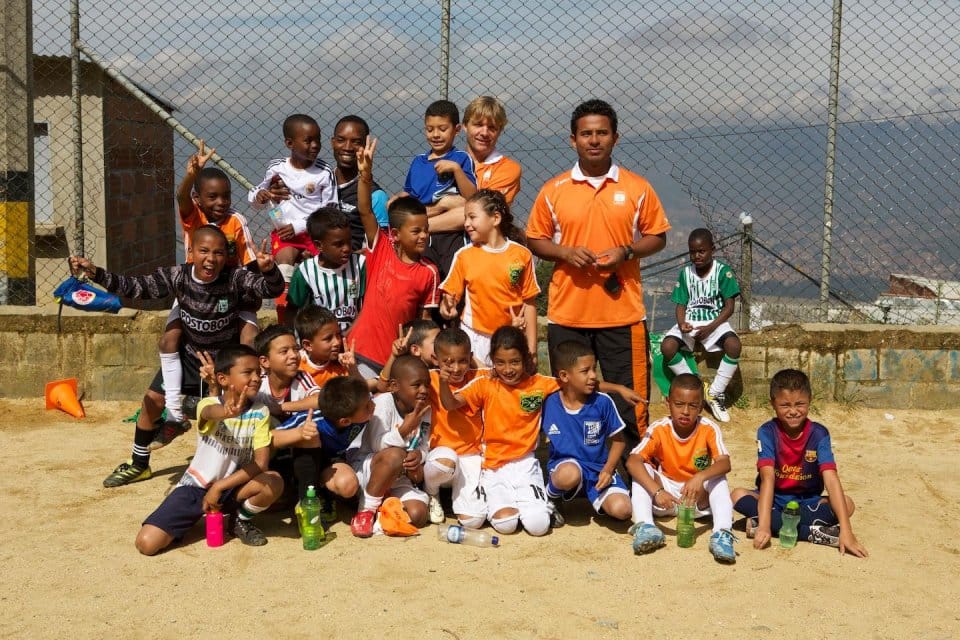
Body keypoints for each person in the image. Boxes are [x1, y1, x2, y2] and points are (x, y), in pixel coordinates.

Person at [70, 226, 284, 488]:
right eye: (203, 251)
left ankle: (235, 471)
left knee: (229, 415)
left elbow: (271, 290)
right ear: (190, 252)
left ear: (225, 257)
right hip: (188, 356)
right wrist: (96, 273)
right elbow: (135, 287)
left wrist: (269, 269)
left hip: (221, 365)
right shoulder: (177, 276)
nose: (210, 259)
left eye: (218, 253)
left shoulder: (234, 279)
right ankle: (139, 464)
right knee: (151, 401)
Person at [526, 99, 670, 455]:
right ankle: (570, 467)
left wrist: (627, 251)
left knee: (630, 399)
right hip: (568, 316)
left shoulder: (637, 188)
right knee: (571, 397)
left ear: (615, 138)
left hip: (622, 316)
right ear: (572, 140)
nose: (594, 140)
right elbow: (535, 239)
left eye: (601, 133)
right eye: (586, 133)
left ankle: (635, 471)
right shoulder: (553, 190)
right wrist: (565, 252)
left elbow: (658, 236)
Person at [440, 326, 636, 536]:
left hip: (526, 465)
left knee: (538, 526)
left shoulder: (539, 384)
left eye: (514, 361)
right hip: (493, 468)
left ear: (526, 358)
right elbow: (451, 404)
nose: (507, 369)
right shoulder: (485, 385)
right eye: (500, 362)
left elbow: (576, 380)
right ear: (492, 361)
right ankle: (494, 503)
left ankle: (545, 502)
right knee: (506, 524)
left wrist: (618, 388)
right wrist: (443, 383)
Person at [133, 345, 284, 555]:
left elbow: (261, 463)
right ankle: (193, 516)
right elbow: (211, 412)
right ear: (223, 379)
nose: (256, 378)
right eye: (247, 372)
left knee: (273, 481)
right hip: (195, 486)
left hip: (233, 486)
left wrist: (219, 487)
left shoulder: (260, 412)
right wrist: (226, 412)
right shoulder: (208, 404)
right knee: (147, 544)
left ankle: (238, 520)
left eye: (258, 372)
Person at [160, 142, 260, 431]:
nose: (220, 202)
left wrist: (250, 295)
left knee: (248, 340)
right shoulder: (194, 218)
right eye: (212, 197)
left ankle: (249, 401)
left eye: (226, 196)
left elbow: (247, 260)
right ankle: (174, 410)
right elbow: (180, 196)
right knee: (168, 340)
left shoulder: (236, 222)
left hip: (228, 292)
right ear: (198, 198)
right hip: (193, 292)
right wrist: (192, 173)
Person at [731, 369, 868, 557]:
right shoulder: (767, 431)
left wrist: (847, 531)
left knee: (847, 504)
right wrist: (764, 527)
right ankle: (812, 532)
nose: (793, 411)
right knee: (736, 495)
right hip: (774, 501)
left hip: (807, 502)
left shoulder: (819, 434)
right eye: (785, 405)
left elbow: (830, 478)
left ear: (810, 400)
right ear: (773, 404)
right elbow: (767, 478)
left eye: (800, 404)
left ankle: (773, 525)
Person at [347, 136, 440, 378]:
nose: (423, 236)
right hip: (362, 352)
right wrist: (365, 175)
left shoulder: (428, 272)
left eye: (426, 229)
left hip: (396, 359)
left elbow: (424, 322)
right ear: (396, 234)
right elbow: (365, 209)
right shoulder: (381, 248)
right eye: (416, 231)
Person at [626, 373, 738, 563]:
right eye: (679, 404)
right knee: (642, 467)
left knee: (718, 477)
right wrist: (657, 491)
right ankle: (645, 526)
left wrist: (700, 477)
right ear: (668, 403)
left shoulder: (709, 428)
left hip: (696, 499)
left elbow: (725, 463)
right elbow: (632, 461)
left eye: (692, 406)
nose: (685, 411)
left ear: (701, 407)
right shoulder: (659, 428)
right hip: (665, 497)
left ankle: (722, 533)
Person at [248, 114, 338, 322]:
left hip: (315, 233)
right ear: (290, 143)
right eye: (308, 141)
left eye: (318, 140)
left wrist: (299, 226)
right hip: (285, 234)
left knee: (318, 268)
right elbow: (256, 195)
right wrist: (260, 196)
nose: (315, 145)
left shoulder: (324, 172)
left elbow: (330, 211)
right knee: (284, 261)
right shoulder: (277, 167)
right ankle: (284, 317)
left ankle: (319, 315)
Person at [439, 189, 539, 364]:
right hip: (474, 338)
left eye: (472, 217)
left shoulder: (522, 255)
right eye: (465, 218)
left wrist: (531, 348)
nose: (467, 224)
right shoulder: (464, 255)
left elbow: (529, 303)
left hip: (510, 338)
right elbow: (450, 298)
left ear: (496, 218)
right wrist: (447, 308)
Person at [540, 341, 631, 528]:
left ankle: (595, 496)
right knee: (569, 474)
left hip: (598, 471)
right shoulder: (548, 403)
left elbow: (619, 442)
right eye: (585, 371)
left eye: (594, 369)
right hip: (567, 469)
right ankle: (551, 496)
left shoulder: (603, 402)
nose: (593, 376)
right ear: (564, 375)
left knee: (623, 511)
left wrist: (607, 469)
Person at [661, 228, 742, 423]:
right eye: (692, 252)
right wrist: (682, 324)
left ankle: (715, 393)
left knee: (734, 345)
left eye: (701, 251)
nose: (696, 256)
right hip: (691, 322)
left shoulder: (723, 272)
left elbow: (729, 307)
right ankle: (696, 385)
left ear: (712, 250)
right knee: (667, 347)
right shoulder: (686, 274)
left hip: (715, 322)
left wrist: (711, 327)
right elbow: (681, 305)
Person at [348, 355, 432, 537]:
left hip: (399, 476)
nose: (424, 390)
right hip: (371, 469)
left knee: (418, 514)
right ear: (394, 386)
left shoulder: (425, 409)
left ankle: (382, 513)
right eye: (417, 385)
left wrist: (419, 456)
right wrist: (404, 430)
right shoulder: (383, 403)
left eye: (427, 384)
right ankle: (366, 511)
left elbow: (425, 444)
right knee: (394, 455)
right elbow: (378, 445)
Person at [271, 377, 374, 520]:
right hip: (298, 465)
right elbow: (270, 438)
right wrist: (300, 432)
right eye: (368, 405)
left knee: (348, 486)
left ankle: (323, 494)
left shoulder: (358, 409)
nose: (373, 405)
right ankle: (305, 502)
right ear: (345, 421)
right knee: (311, 436)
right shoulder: (312, 419)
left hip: (329, 463)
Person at [397, 99, 477, 278]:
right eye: (430, 129)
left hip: (451, 235)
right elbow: (409, 193)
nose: (436, 135)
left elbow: (472, 197)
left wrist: (456, 170)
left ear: (456, 130)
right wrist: (396, 200)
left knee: (451, 277)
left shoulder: (461, 158)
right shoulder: (418, 161)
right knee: (425, 275)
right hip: (422, 237)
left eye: (442, 129)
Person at [425, 96, 522, 236]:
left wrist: (417, 227)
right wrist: (444, 204)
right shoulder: (444, 162)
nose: (484, 133)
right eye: (478, 125)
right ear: (464, 126)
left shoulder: (508, 169)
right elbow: (416, 206)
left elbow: (482, 215)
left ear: (500, 131)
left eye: (492, 127)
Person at [423, 328, 487, 526]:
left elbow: (496, 372)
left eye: (463, 360)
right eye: (448, 362)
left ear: (471, 358)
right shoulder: (429, 378)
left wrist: (474, 363)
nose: (457, 368)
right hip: (442, 455)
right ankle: (432, 493)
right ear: (436, 359)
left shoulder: (479, 377)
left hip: (471, 456)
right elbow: (390, 381)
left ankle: (460, 500)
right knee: (446, 461)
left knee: (473, 522)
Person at [285, 207, 366, 332]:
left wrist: (350, 334)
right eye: (338, 244)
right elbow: (292, 309)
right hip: (320, 342)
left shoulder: (360, 265)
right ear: (319, 245)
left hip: (356, 335)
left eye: (349, 241)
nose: (346, 248)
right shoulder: (306, 272)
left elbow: (368, 306)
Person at [329, 115, 389, 249]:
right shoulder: (319, 182)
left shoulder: (376, 196)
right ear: (332, 142)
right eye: (341, 140)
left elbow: (381, 248)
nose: (347, 147)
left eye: (356, 142)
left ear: (365, 146)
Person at [294, 306, 372, 390]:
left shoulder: (341, 362)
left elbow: (361, 393)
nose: (337, 342)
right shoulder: (297, 368)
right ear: (308, 345)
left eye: (338, 334)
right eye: (328, 338)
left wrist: (353, 370)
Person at [254, 325, 320, 419]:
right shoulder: (259, 383)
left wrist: (280, 408)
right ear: (265, 361)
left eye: (296, 349)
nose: (293, 355)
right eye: (284, 351)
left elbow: (319, 400)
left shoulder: (301, 378)